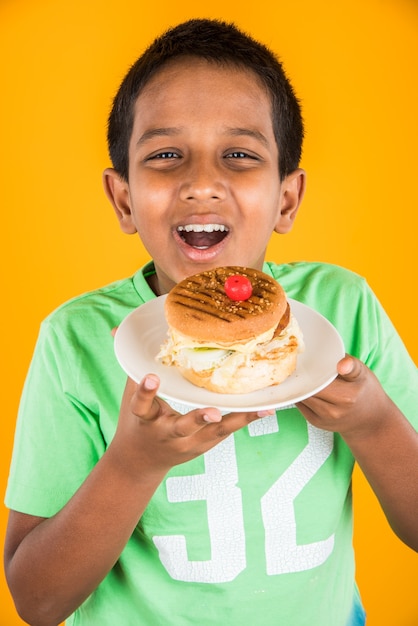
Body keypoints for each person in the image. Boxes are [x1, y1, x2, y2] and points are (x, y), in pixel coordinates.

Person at [3, 18, 418, 626]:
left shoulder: (342, 310)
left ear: (286, 198)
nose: (201, 183)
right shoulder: (76, 339)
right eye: (166, 155)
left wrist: (374, 420)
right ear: (123, 198)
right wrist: (133, 463)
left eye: (240, 155)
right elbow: (36, 601)